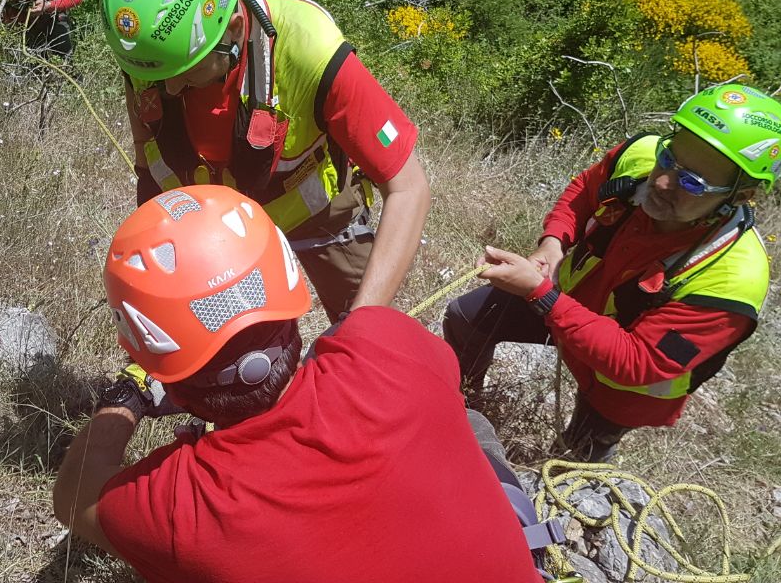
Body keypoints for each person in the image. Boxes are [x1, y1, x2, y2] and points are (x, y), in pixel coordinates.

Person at [52, 185, 543, 583]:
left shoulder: (180, 506)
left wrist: (126, 396)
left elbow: (74, 496)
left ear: (161, 369)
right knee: (469, 419)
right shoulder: (385, 342)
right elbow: (432, 367)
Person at [99, 0, 430, 321]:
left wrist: (360, 327)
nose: (168, 90)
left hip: (316, 218)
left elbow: (409, 188)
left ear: (235, 29)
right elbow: (147, 157)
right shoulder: (158, 52)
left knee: (366, 340)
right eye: (154, 76)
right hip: (209, 226)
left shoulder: (311, 49)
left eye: (186, 74)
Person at [443, 83, 781, 462]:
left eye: (692, 182)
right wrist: (554, 243)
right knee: (467, 316)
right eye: (669, 159)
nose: (662, 182)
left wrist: (540, 295)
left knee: (575, 461)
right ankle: (455, 408)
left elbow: (638, 362)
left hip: (618, 388)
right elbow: (584, 191)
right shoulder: (640, 158)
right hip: (566, 306)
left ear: (740, 196)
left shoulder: (731, 280)